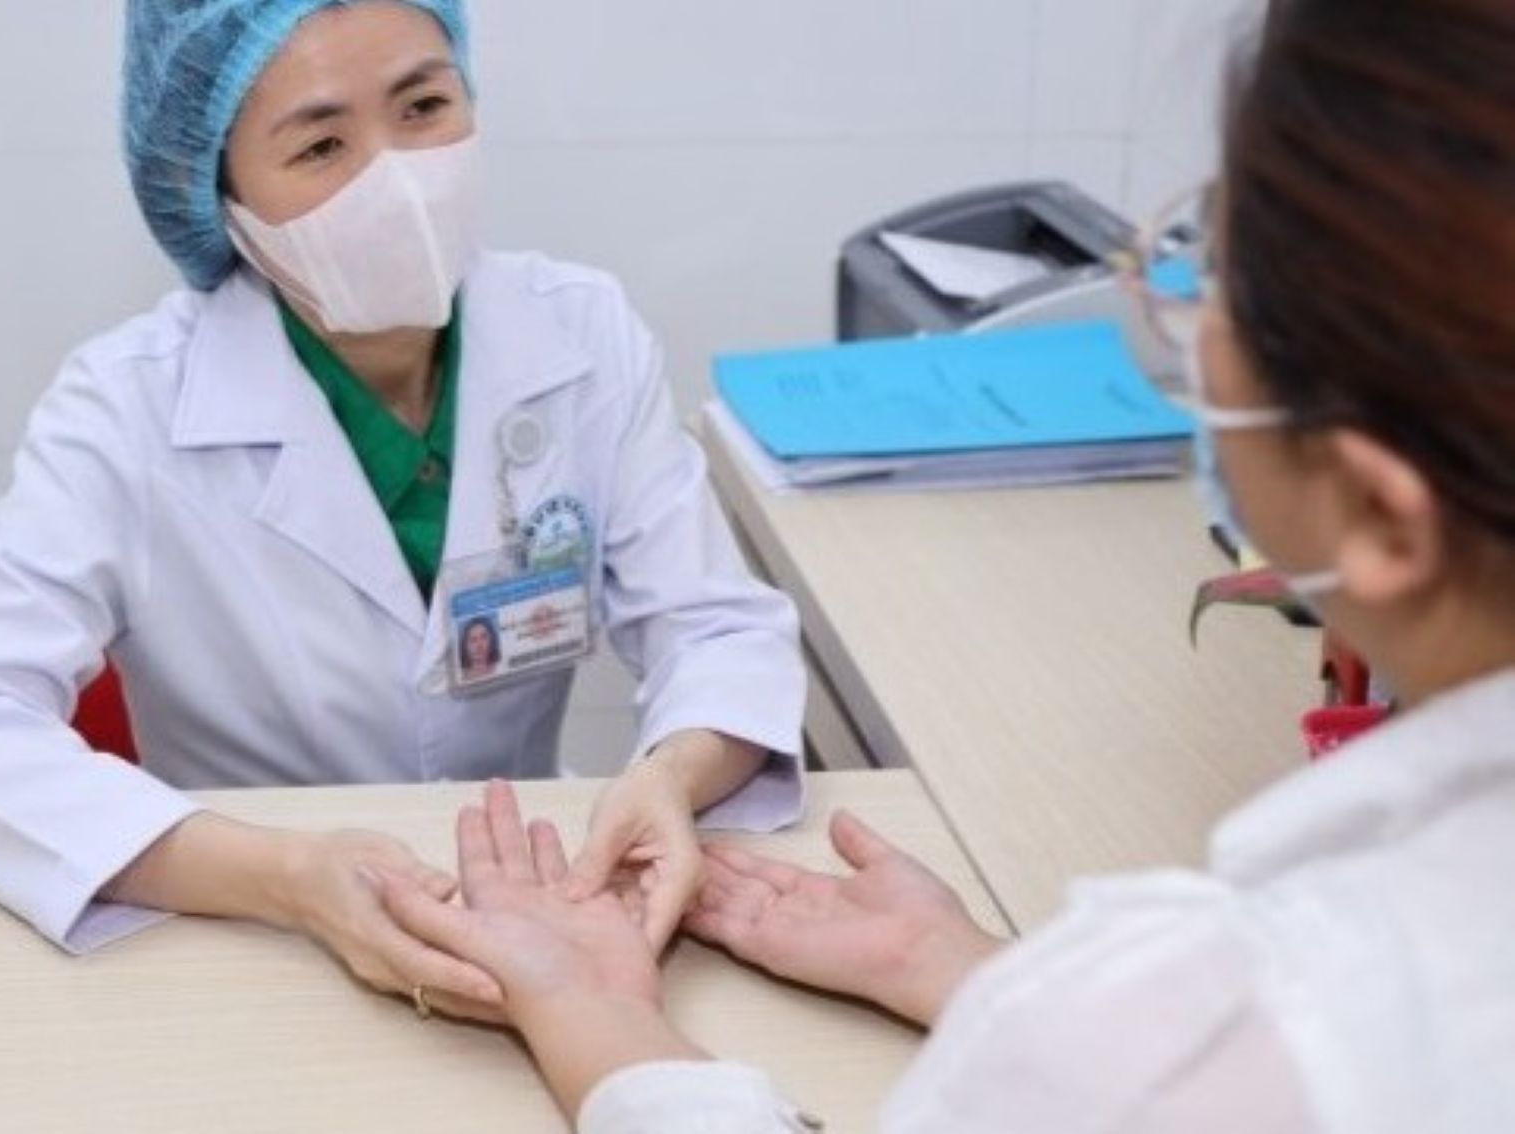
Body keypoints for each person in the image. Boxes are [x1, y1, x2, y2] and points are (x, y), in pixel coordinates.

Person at [378, 1, 1515, 1127]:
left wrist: (591, 1011)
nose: (1179, 307)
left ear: (1378, 515)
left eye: (1221, 268)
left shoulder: (1242, 1017)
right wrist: (963, 974)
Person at [0, 0, 805, 1022]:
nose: (396, 177)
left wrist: (672, 777)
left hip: (545, 906)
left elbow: (716, 626)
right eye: (321, 143)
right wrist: (287, 878)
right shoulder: (123, 407)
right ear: (216, 192)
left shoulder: (580, 332)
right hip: (249, 937)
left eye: (422, 106)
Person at [457, 616, 500, 681]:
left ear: (492, 639)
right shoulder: (460, 677)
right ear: (465, 646)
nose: (479, 645)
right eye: (473, 640)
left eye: (484, 637)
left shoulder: (500, 668)